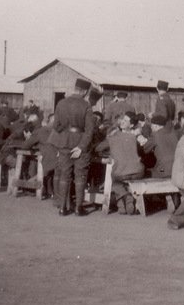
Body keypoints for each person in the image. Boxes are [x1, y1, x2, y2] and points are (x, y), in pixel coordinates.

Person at [49, 78, 95, 217]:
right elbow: (90, 130)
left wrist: (66, 129)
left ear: (75, 88)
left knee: (64, 174)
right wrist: (81, 146)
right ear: (85, 91)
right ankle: (78, 208)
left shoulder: (61, 103)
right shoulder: (86, 105)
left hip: (64, 143)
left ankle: (62, 208)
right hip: (80, 143)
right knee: (80, 175)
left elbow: (56, 126)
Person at [97, 112, 145, 214]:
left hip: (121, 172)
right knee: (122, 178)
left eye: (125, 121)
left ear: (131, 125)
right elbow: (140, 152)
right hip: (138, 172)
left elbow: (98, 148)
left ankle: (125, 196)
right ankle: (121, 206)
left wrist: (110, 154)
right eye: (122, 120)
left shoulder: (112, 137)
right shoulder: (135, 137)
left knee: (113, 179)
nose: (122, 122)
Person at [139, 114, 179, 178]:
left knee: (144, 173)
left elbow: (145, 150)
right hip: (177, 169)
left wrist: (142, 143)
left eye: (152, 126)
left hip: (163, 171)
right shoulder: (174, 134)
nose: (151, 128)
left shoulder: (155, 135)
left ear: (156, 126)